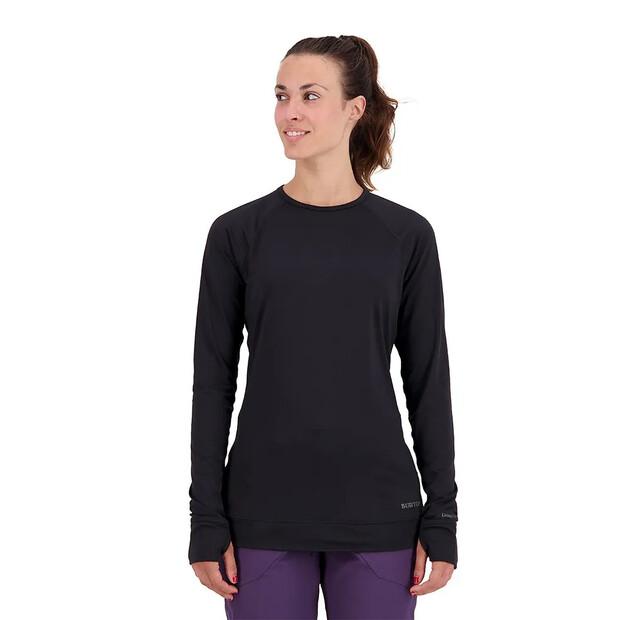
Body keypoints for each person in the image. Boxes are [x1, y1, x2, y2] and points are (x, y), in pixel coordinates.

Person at [188, 34, 459, 619]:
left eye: (310, 96)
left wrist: (442, 513)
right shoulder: (237, 234)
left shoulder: (405, 237)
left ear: (354, 109)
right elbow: (212, 383)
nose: (291, 112)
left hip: (379, 511)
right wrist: (205, 516)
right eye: (281, 95)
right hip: (260, 510)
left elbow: (428, 381)